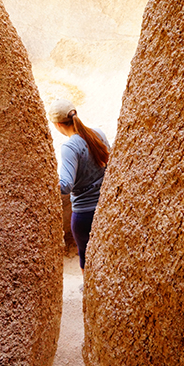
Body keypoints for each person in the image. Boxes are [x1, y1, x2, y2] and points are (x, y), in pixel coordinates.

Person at [48, 99, 110, 271]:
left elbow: (66, 186)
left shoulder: (69, 147)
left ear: (58, 124)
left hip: (84, 214)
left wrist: (46, 180)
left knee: (86, 258)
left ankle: (90, 295)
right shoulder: (98, 134)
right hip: (106, 209)